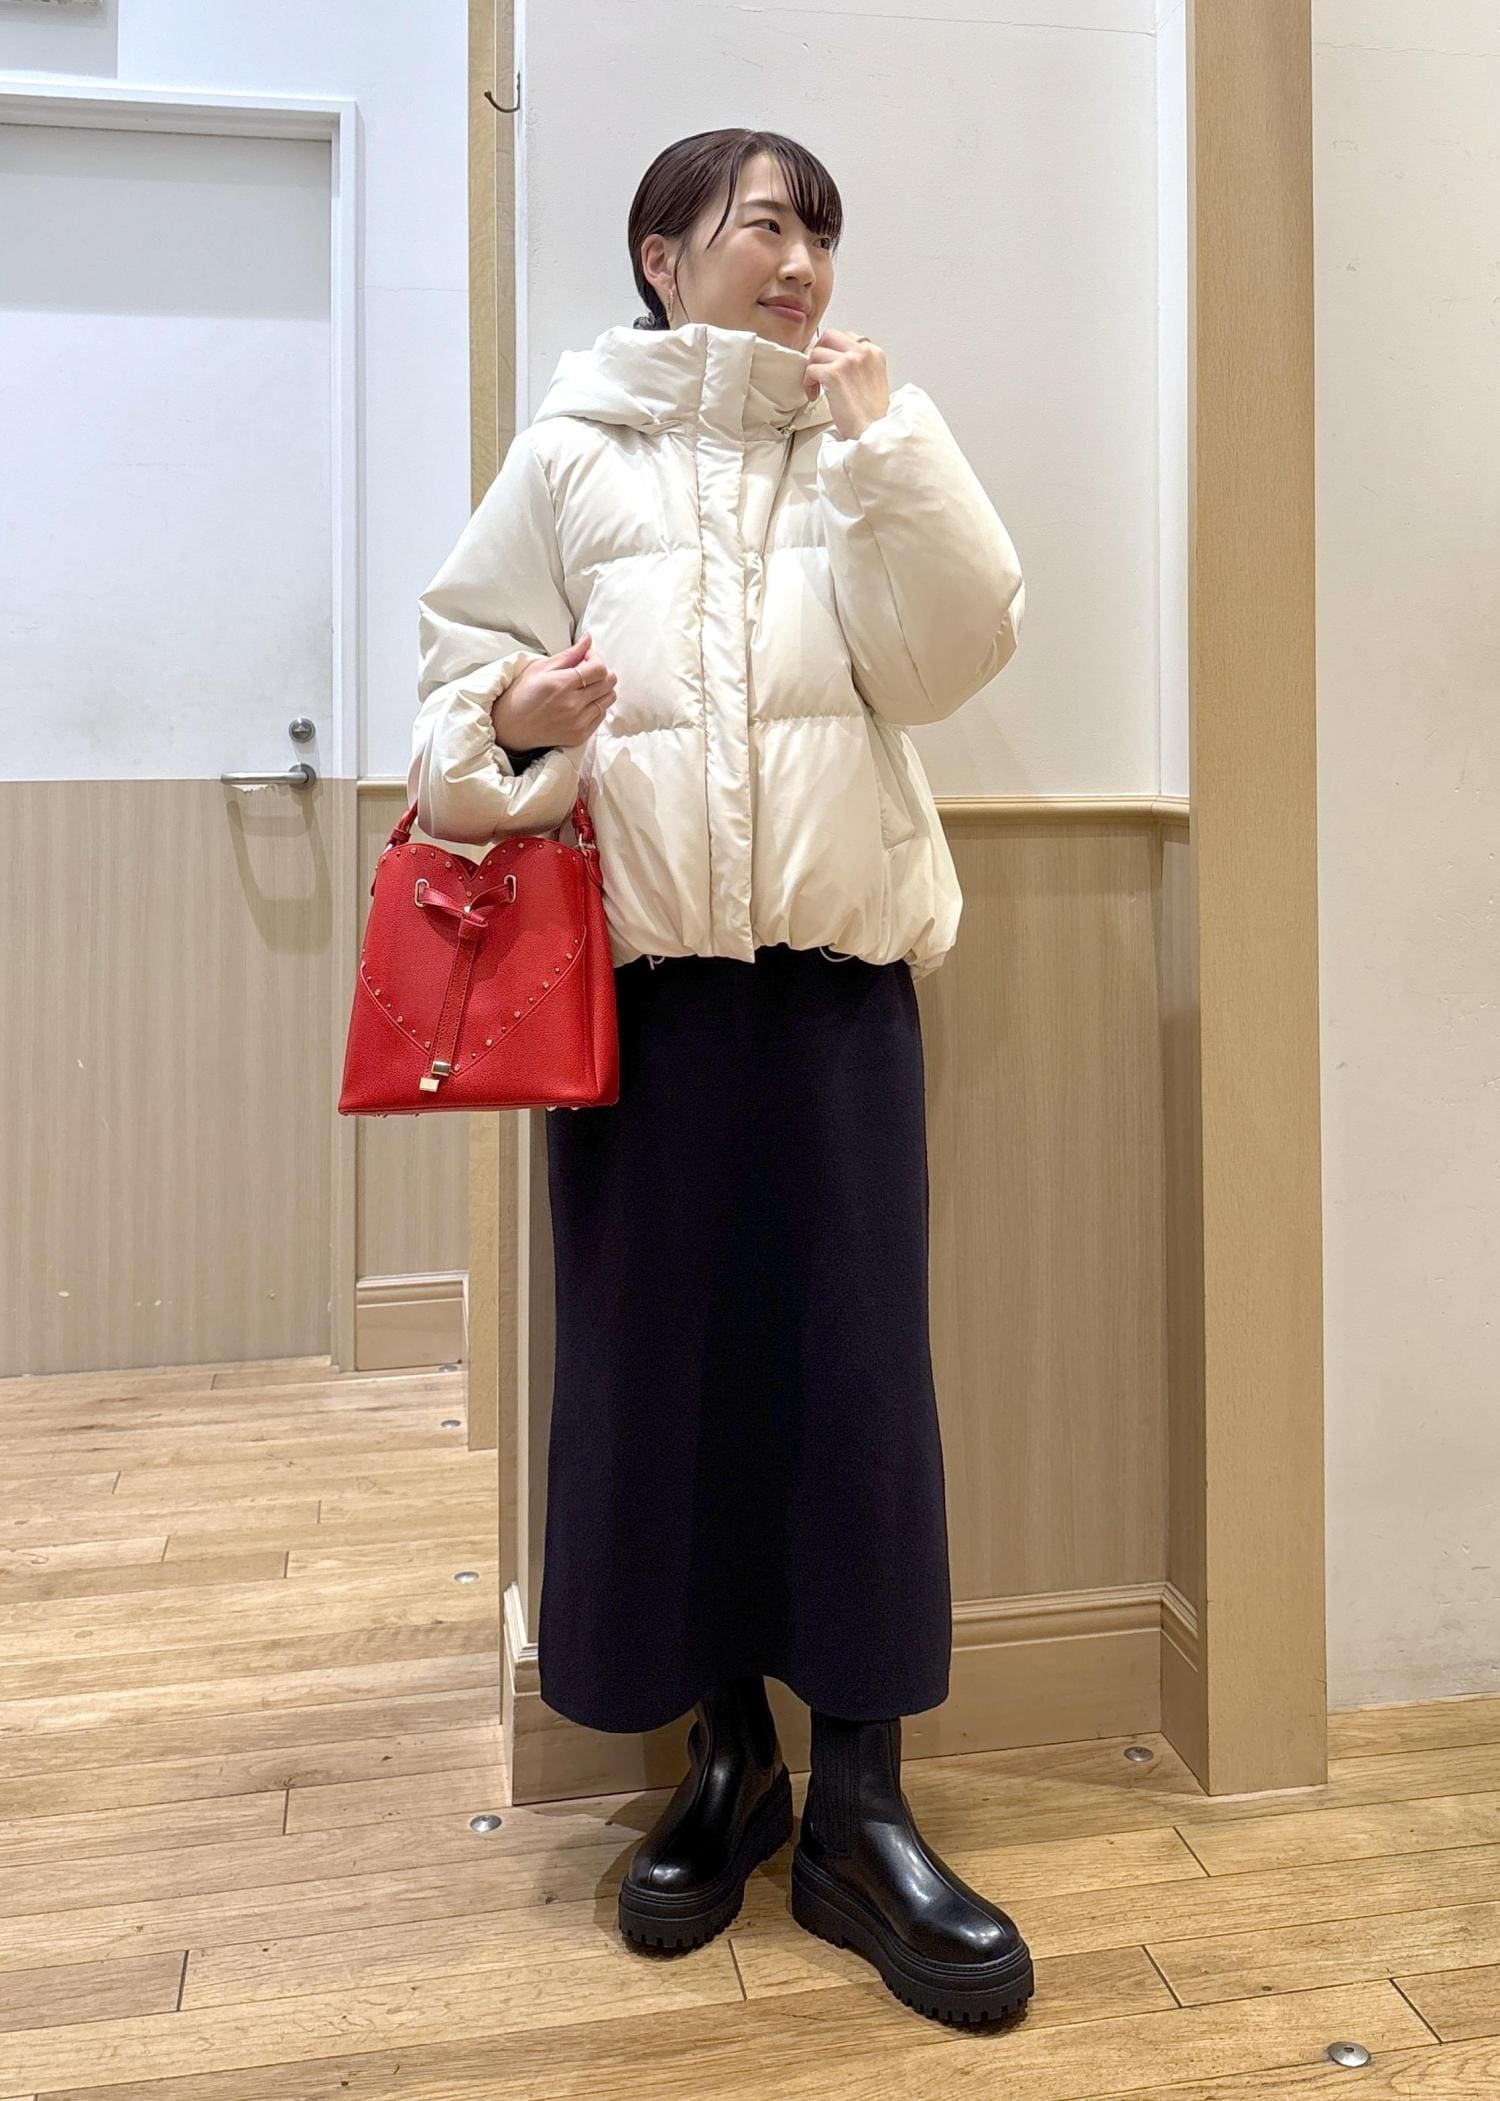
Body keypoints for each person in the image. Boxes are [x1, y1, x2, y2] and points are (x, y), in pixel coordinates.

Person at [409, 127, 1033, 2029]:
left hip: (838, 1000)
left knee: (856, 1390)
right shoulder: (567, 456)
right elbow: (444, 719)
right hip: (641, 1016)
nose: (803, 259)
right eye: (767, 222)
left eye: (822, 230)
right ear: (663, 254)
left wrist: (890, 440)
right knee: (657, 1389)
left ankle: (861, 1806)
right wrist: (512, 714)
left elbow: (959, 648)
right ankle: (724, 1764)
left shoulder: (856, 448)